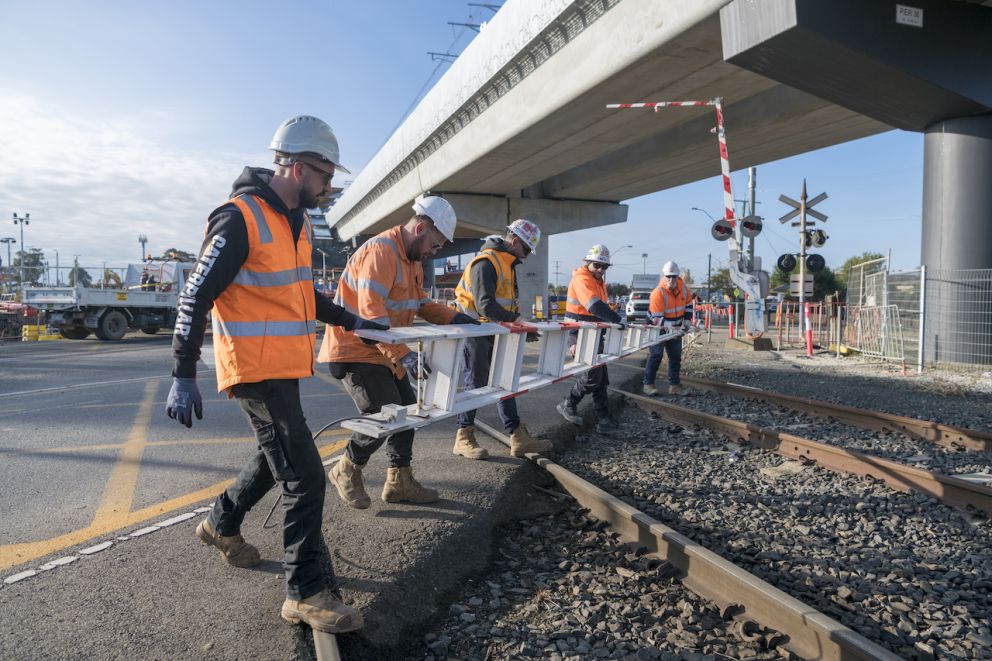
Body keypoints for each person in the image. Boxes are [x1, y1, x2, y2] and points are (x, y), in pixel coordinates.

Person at [165, 115, 386, 634]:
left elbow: (302, 294)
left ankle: (222, 523)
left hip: (282, 366)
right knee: (305, 473)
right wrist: (182, 371)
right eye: (324, 175)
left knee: (278, 456)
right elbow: (194, 296)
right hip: (251, 367)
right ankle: (305, 592)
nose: (329, 187)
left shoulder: (297, 222)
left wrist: (356, 322)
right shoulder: (238, 218)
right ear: (292, 165)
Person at [319, 194, 479, 509]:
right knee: (387, 412)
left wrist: (456, 317)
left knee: (408, 410)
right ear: (421, 228)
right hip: (356, 350)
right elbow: (371, 314)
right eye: (437, 243)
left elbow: (420, 304)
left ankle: (399, 482)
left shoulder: (412, 261)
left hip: (385, 353)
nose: (438, 250)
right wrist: (403, 353)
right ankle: (346, 469)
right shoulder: (381, 252)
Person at [451, 219, 553, 459]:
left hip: (494, 330)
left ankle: (517, 436)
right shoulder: (486, 263)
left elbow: (499, 305)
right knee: (475, 383)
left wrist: (516, 327)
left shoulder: (506, 264)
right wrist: (518, 322)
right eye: (526, 250)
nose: (527, 257)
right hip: (475, 330)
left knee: (506, 381)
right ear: (515, 242)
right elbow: (485, 305)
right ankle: (463, 437)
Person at [555, 244, 624, 435]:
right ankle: (568, 403)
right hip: (579, 333)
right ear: (587, 263)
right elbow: (594, 306)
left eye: (604, 267)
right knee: (593, 375)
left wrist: (611, 317)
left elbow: (599, 309)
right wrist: (617, 319)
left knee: (601, 380)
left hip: (593, 333)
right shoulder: (582, 278)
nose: (601, 270)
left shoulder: (598, 281)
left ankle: (603, 420)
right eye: (597, 265)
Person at [642, 260, 694, 396]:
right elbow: (657, 319)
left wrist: (687, 320)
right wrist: (676, 329)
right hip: (657, 327)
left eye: (674, 276)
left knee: (675, 356)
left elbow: (688, 304)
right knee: (656, 355)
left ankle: (675, 386)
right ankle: (648, 385)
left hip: (676, 327)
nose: (671, 279)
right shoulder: (657, 293)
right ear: (664, 276)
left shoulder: (683, 288)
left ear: (678, 276)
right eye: (668, 276)